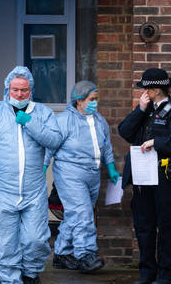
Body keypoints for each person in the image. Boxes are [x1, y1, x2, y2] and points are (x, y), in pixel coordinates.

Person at [0, 66, 62, 284]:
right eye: (15, 90)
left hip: (33, 191)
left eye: (24, 90)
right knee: (8, 243)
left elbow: (54, 141)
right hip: (2, 191)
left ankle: (30, 276)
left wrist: (30, 123)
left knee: (35, 240)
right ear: (7, 89)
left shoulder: (42, 113)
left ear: (31, 90)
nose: (20, 94)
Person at [117, 68, 171, 284]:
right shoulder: (145, 110)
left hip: (165, 178)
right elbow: (125, 131)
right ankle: (147, 272)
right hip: (142, 178)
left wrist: (156, 142)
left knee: (166, 227)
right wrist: (139, 110)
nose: (144, 92)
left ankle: (166, 275)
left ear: (156, 89)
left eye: (146, 88)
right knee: (144, 226)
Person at [44, 80, 120, 273]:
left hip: (92, 174)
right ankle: (86, 254)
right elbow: (49, 147)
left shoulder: (99, 120)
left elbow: (107, 147)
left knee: (74, 215)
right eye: (91, 99)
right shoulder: (63, 121)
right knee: (82, 213)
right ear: (79, 100)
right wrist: (41, 171)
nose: (95, 103)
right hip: (70, 173)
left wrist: (110, 169)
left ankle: (62, 254)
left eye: (96, 99)